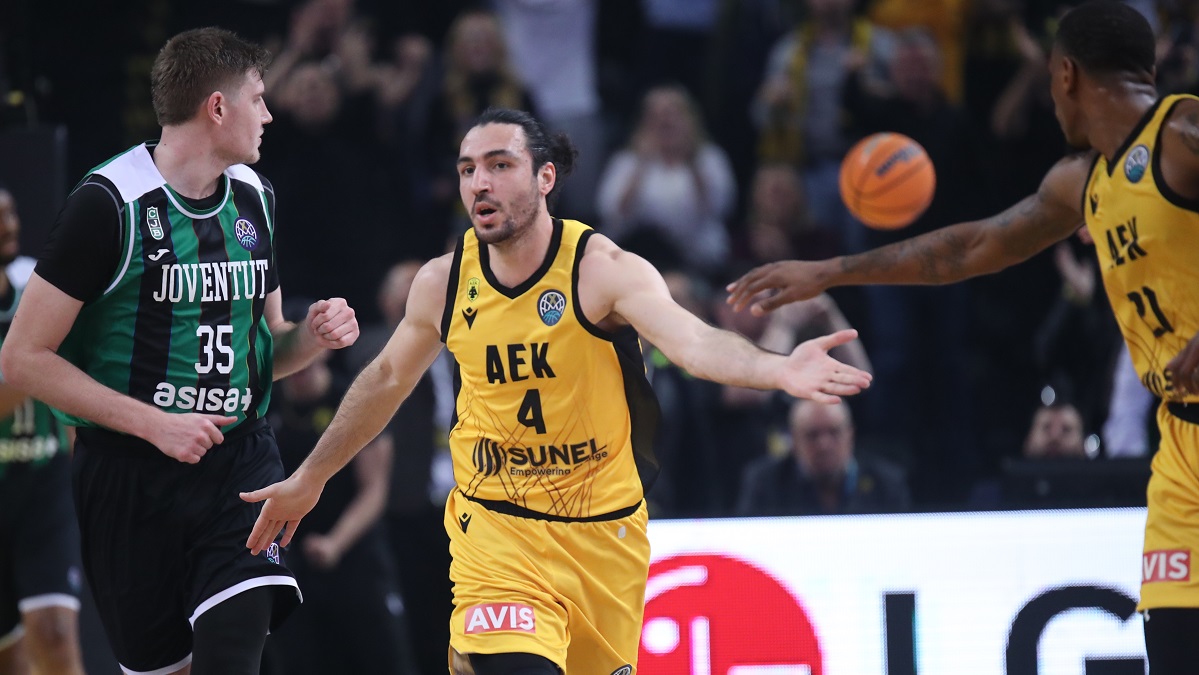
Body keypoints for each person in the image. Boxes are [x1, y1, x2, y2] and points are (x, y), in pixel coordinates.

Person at [241, 107, 872, 675]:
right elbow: (384, 380)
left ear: (545, 178)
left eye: (499, 165)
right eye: (467, 170)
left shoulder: (602, 270)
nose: (479, 183)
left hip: (604, 538)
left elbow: (694, 343)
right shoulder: (444, 282)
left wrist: (777, 368)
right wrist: (312, 476)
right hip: (496, 530)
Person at [726, 3, 1199, 670]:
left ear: (1064, 74)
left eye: (1048, 79)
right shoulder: (1083, 181)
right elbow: (971, 248)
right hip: (1180, 446)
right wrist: (832, 270)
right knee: (1175, 649)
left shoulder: (1182, 131)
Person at [0, 28, 360, 675]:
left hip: (239, 463)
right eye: (258, 98)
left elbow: (267, 350)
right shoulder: (107, 204)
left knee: (233, 647)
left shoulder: (255, 197)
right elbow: (22, 358)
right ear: (217, 108)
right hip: (128, 474)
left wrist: (312, 335)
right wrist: (155, 424)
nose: (268, 114)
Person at [0, 186, 85, 675]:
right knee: (9, 658)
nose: (9, 225)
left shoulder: (35, 283)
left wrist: (82, 460)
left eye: (11, 213)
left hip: (42, 483)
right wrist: (31, 361)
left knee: (54, 634)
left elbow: (71, 379)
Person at [736, 399, 909, 517]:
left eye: (834, 432)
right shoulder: (765, 482)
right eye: (812, 435)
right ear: (794, 440)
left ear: (850, 435)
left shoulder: (886, 482)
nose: (824, 445)